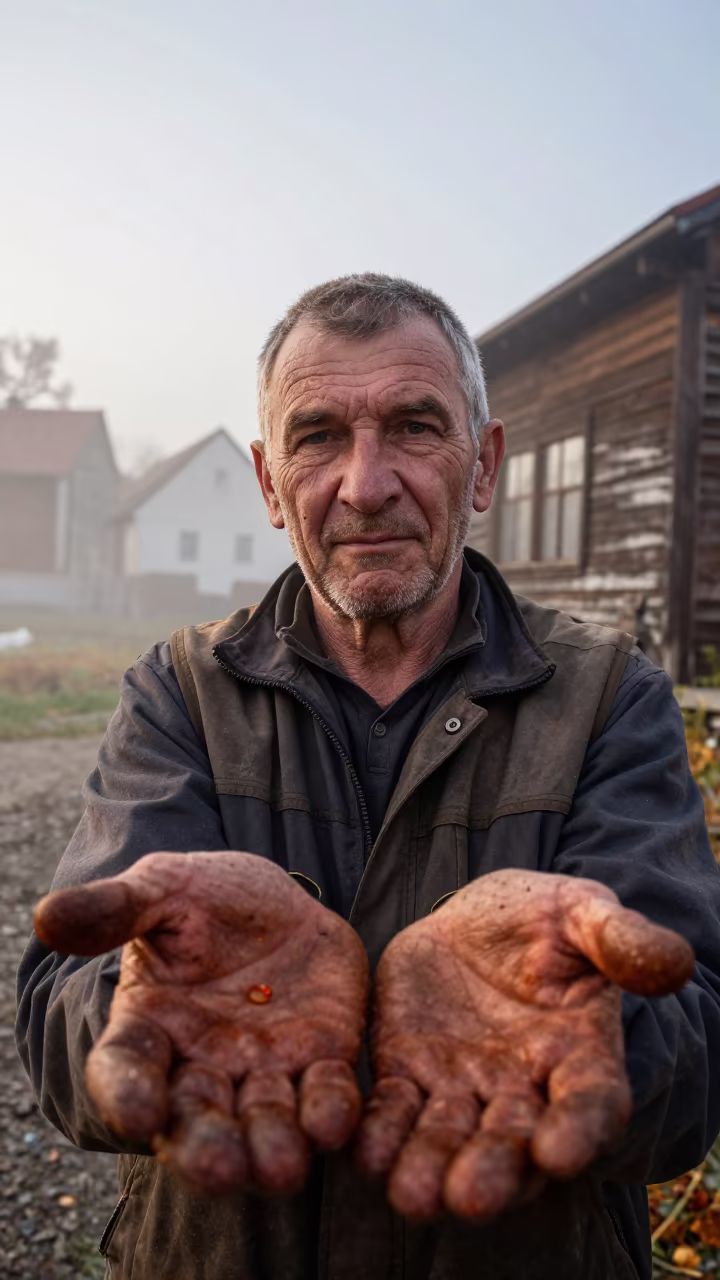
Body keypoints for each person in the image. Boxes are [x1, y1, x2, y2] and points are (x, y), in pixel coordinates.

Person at [16, 273, 720, 1280]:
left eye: (414, 426)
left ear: (484, 466)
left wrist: (591, 1027)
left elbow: (704, 1039)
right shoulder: (178, 694)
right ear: (267, 483)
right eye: (317, 436)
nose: (366, 481)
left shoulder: (611, 698)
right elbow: (59, 1001)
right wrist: (148, 1002)